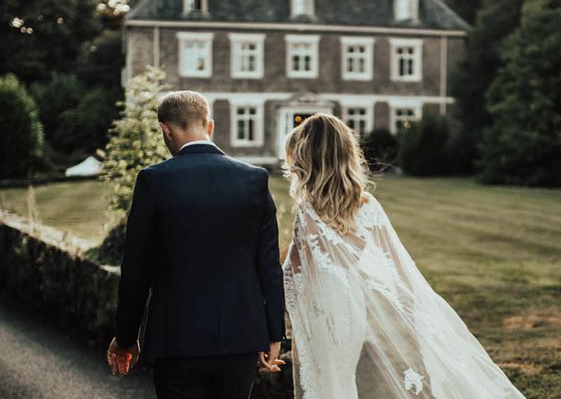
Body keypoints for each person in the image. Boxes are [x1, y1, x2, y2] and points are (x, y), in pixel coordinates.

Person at [282, 113, 527, 399]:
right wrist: (414, 309)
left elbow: (291, 272)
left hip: (325, 312)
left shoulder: (308, 213)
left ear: (307, 160)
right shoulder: (366, 204)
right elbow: (395, 265)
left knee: (328, 384)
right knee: (342, 379)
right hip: (352, 311)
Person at [106, 90, 285, 399]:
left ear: (165, 129)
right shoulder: (254, 179)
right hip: (240, 339)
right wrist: (273, 333)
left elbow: (136, 269)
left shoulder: (154, 180)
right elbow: (268, 267)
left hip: (177, 340)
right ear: (210, 126)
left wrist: (125, 338)